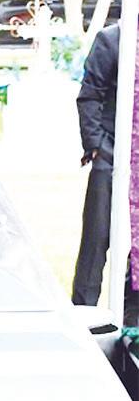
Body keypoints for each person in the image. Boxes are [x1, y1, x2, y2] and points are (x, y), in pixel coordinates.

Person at [72, 23, 139, 323]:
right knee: (96, 240)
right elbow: (90, 96)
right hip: (112, 153)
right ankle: (83, 314)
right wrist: (97, 145)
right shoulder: (113, 40)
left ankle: (132, 317)